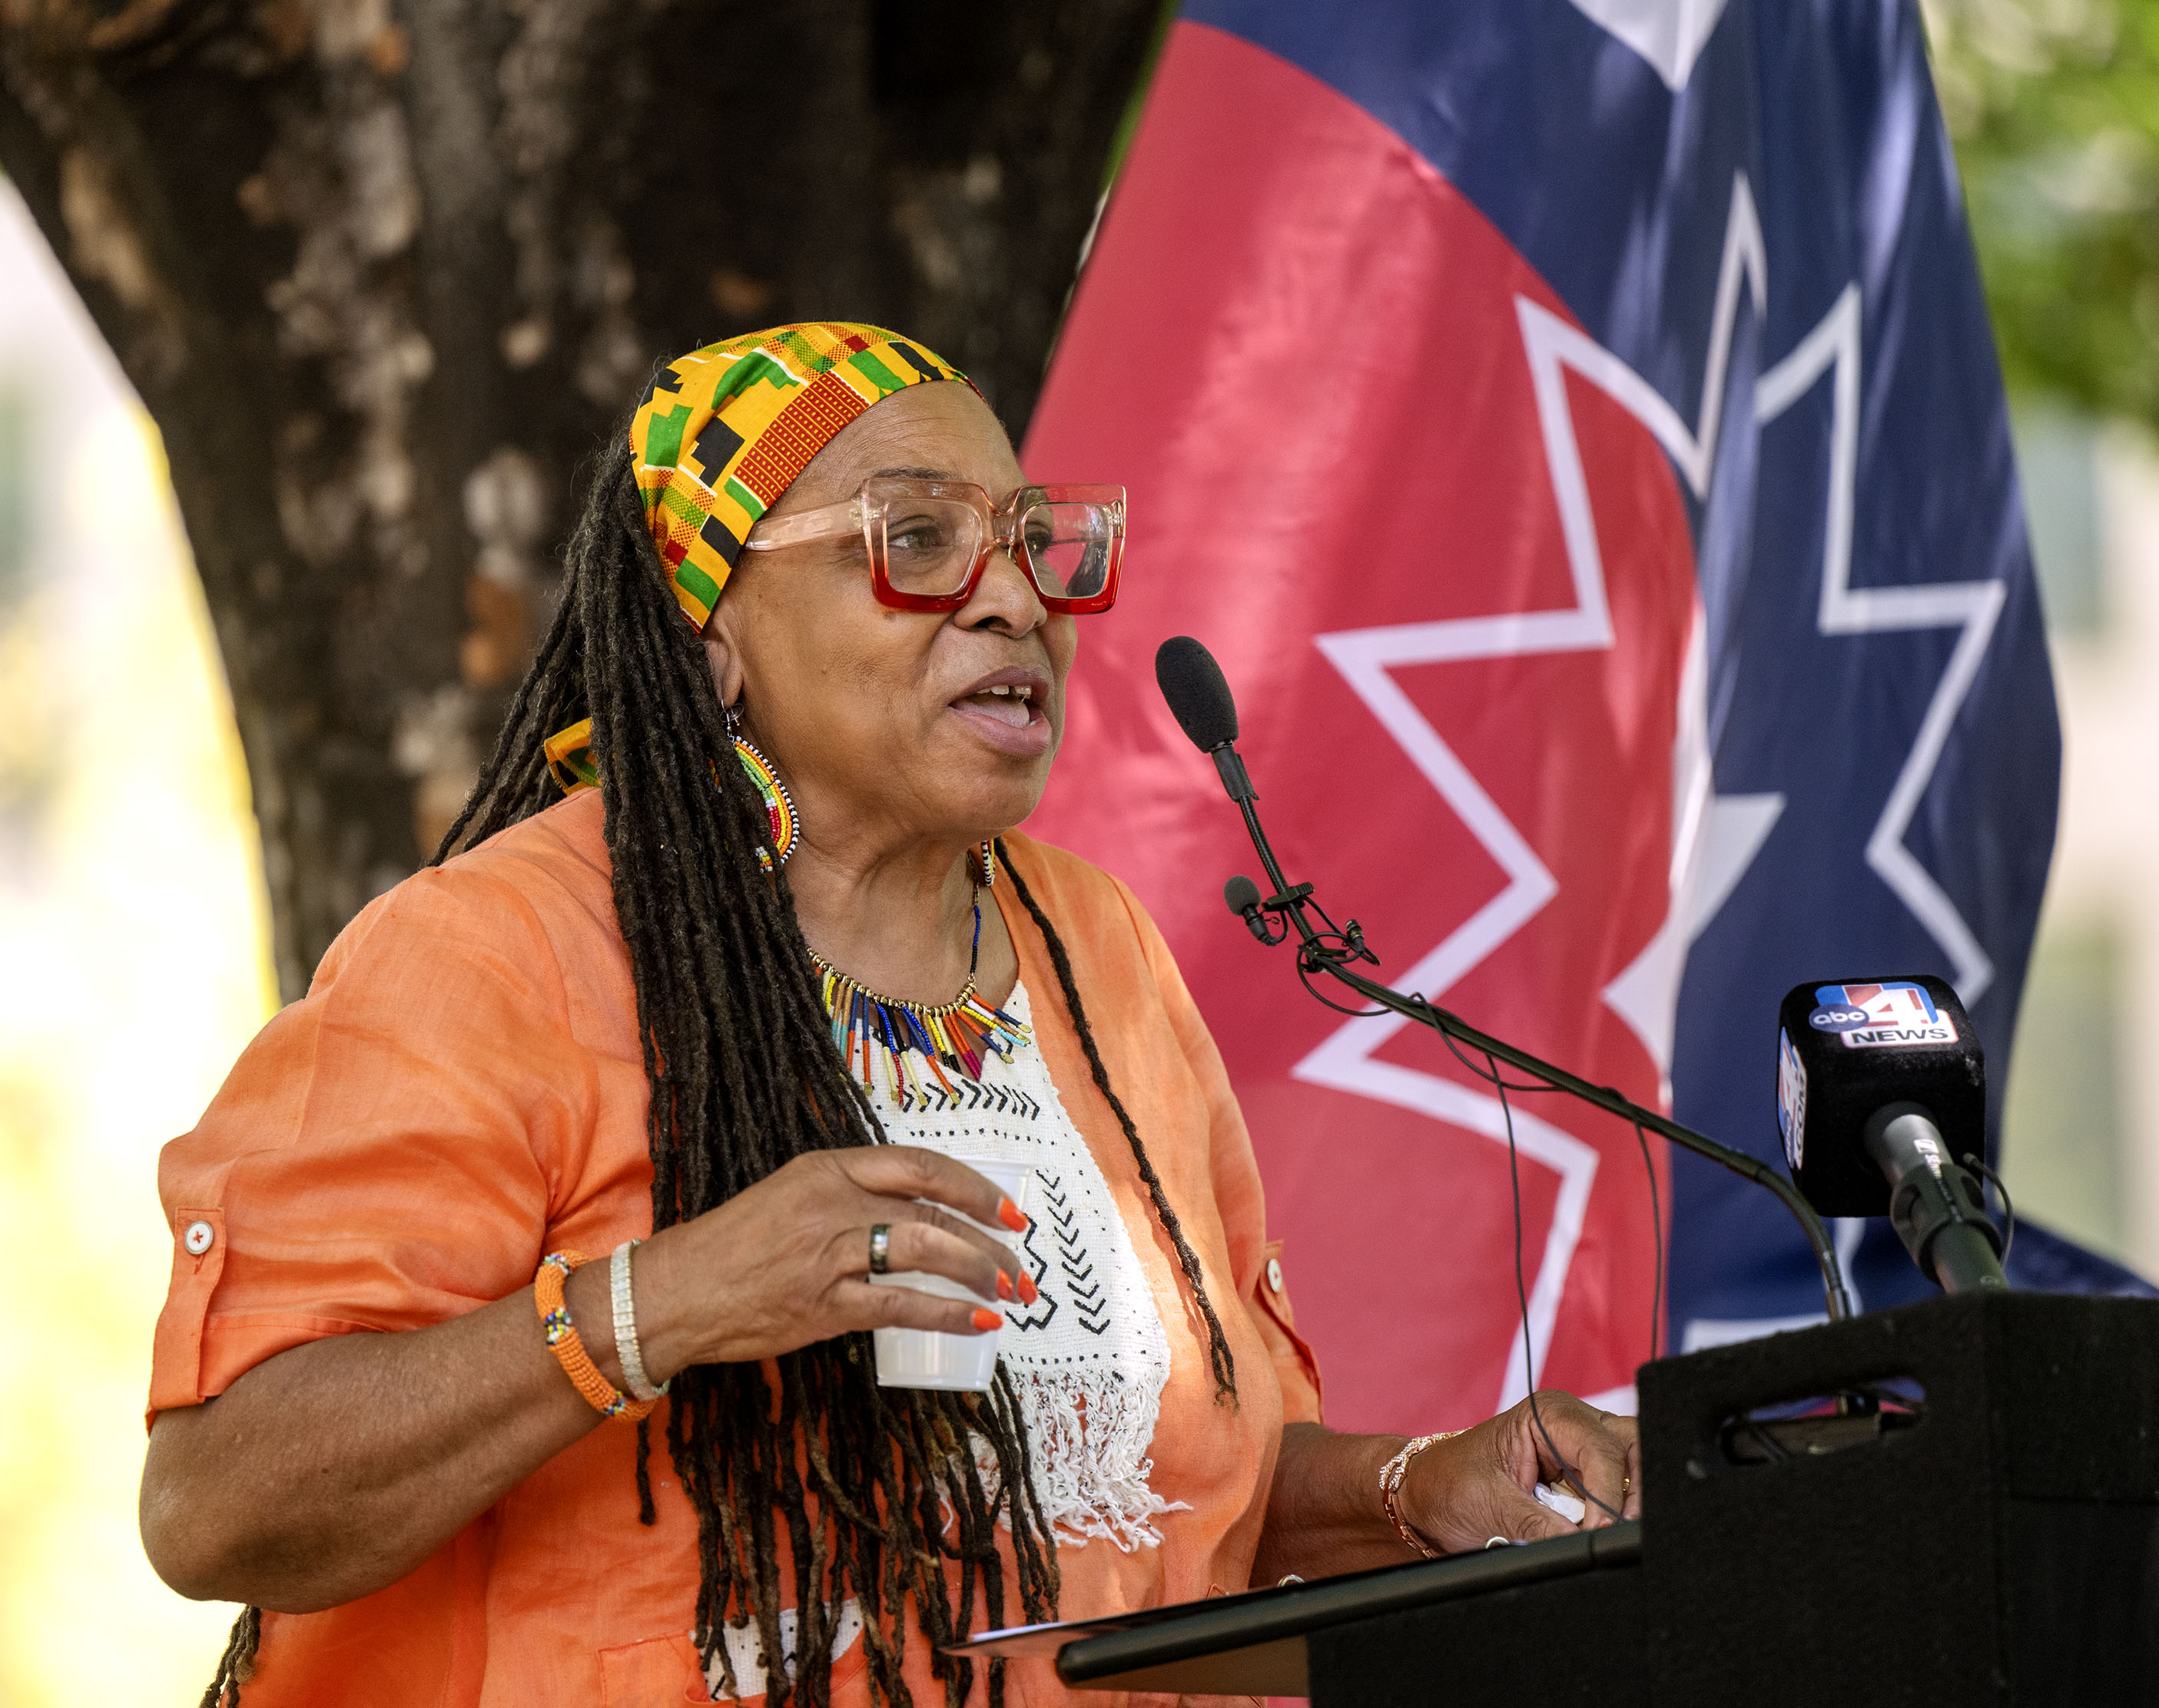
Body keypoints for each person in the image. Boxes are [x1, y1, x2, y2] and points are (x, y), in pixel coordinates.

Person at [140, 322, 1640, 1708]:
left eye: (1036, 544)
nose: (1013, 597)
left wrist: (1417, 1486)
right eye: (914, 538)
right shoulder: (490, 956)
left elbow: (1171, 1488)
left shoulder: (1098, 947)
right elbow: (220, 1499)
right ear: (707, 634)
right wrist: (661, 1304)